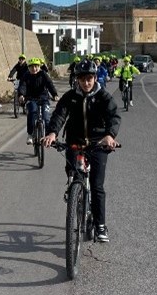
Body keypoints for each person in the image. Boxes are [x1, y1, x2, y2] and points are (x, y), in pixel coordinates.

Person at [42, 59, 121, 242]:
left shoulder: (104, 97)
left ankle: (100, 225)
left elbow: (113, 117)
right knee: (74, 174)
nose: (86, 83)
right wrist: (52, 132)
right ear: (77, 79)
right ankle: (75, 194)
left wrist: (110, 135)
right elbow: (60, 114)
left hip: (98, 143)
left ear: (94, 78)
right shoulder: (70, 96)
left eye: (90, 79)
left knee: (96, 185)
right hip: (75, 142)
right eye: (82, 79)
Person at [18, 57, 58, 145]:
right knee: (32, 112)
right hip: (31, 99)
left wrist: (54, 94)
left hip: (44, 99)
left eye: (36, 66)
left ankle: (48, 136)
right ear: (28, 68)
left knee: (46, 117)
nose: (34, 68)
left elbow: (49, 84)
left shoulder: (43, 74)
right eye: (32, 67)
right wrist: (21, 95)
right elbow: (22, 86)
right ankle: (30, 134)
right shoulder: (26, 75)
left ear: (39, 67)